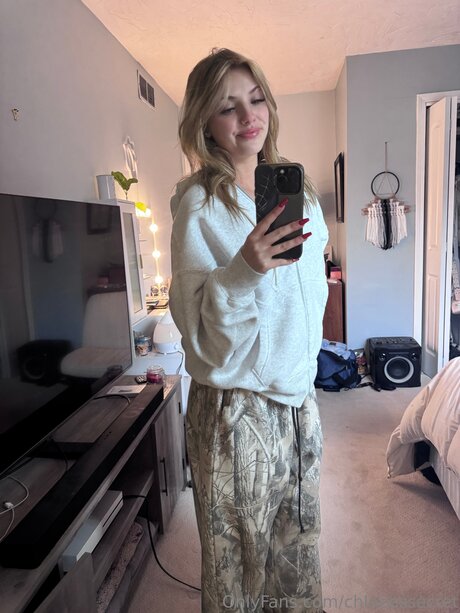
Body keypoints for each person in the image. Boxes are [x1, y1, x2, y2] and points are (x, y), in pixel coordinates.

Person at [169, 48, 328, 613]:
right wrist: (245, 270)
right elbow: (201, 338)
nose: (247, 116)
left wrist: (304, 375)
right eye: (227, 107)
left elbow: (310, 297)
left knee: (296, 555)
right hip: (237, 413)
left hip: (298, 403)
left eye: (256, 98)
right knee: (237, 571)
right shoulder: (198, 205)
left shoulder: (302, 195)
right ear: (205, 123)